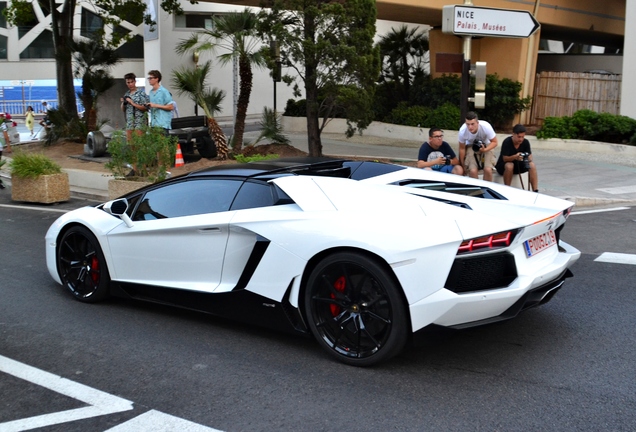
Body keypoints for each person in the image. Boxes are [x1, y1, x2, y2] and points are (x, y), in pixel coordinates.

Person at [496, 124, 539, 192]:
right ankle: (507, 189)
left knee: (532, 165)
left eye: (522, 137)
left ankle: (535, 190)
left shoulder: (525, 142)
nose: (521, 139)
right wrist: (515, 157)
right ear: (513, 134)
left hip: (519, 164)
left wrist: (526, 157)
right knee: (509, 165)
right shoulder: (507, 142)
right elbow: (505, 158)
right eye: (519, 137)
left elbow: (530, 156)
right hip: (504, 165)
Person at [458, 111, 498, 181]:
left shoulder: (486, 126)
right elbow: (462, 148)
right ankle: (476, 190)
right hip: (471, 145)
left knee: (487, 169)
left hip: (487, 144)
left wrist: (485, 150)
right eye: (468, 124)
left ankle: (487, 188)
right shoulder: (462, 131)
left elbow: (495, 142)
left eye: (472, 124)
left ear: (477, 123)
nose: (470, 127)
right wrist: (462, 165)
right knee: (472, 170)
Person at [121, 73, 149, 142]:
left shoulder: (141, 93)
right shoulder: (127, 94)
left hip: (139, 123)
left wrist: (132, 103)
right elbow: (123, 110)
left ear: (135, 81)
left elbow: (145, 108)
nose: (130, 84)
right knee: (130, 144)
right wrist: (123, 103)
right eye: (128, 82)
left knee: (139, 144)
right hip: (130, 123)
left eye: (131, 82)